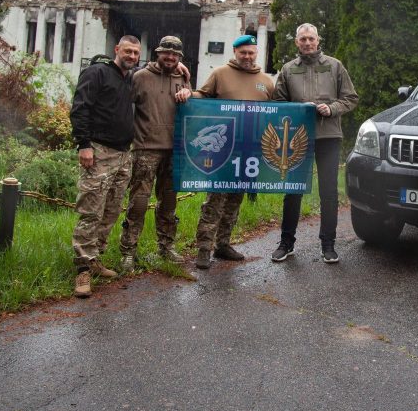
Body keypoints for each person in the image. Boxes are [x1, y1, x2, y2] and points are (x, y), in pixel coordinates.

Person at [271, 23, 359, 264]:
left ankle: (328, 245)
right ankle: (286, 243)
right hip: (297, 139)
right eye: (303, 39)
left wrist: (331, 109)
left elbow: (351, 98)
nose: (307, 43)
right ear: (296, 43)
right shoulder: (288, 70)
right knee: (293, 192)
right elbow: (278, 102)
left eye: (311, 38)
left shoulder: (334, 65)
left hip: (328, 137)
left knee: (328, 192)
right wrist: (297, 110)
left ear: (318, 40)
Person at [191, 34, 274, 269]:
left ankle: (223, 244)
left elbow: (276, 111)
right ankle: (204, 249)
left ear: (256, 53)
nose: (247, 57)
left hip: (248, 151)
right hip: (221, 152)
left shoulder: (266, 81)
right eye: (242, 53)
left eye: (251, 53)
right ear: (235, 52)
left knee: (235, 200)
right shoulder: (220, 74)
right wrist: (188, 94)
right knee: (214, 200)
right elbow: (203, 96)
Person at [69, 35, 141, 298]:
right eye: (128, 51)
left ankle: (96, 258)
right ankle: (82, 271)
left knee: (111, 211)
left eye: (136, 53)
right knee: (90, 211)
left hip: (123, 156)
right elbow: (80, 108)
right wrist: (83, 144)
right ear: (117, 49)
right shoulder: (96, 72)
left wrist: (182, 69)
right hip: (98, 152)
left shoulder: (130, 79)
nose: (132, 56)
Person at [119, 35, 193, 272]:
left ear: (180, 58)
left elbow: (194, 106)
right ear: (157, 53)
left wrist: (190, 94)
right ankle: (128, 251)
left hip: (174, 150)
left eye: (175, 55)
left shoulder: (183, 77)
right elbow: (122, 107)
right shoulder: (139, 77)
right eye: (166, 53)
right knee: (139, 202)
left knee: (169, 202)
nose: (170, 58)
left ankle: (166, 246)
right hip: (145, 149)